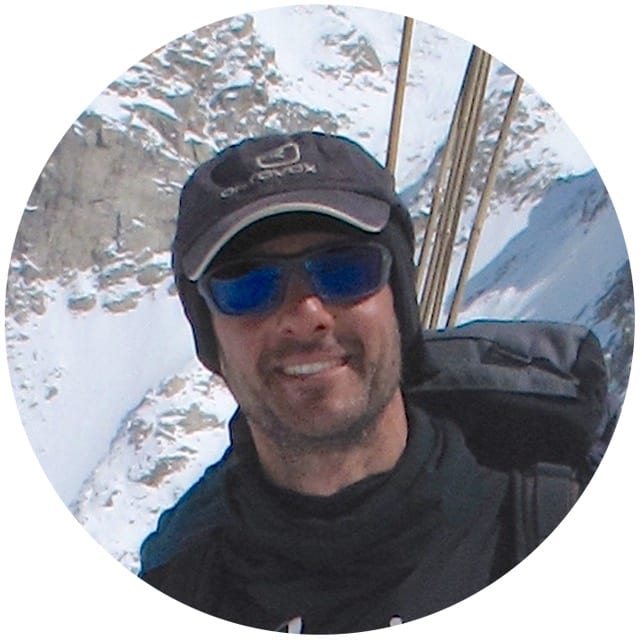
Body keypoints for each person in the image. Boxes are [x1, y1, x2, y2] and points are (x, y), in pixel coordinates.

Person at [138, 131, 590, 633]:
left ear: (399, 303)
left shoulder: (559, 530)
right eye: (247, 285)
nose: (306, 315)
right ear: (210, 338)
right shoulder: (178, 590)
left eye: (345, 270)